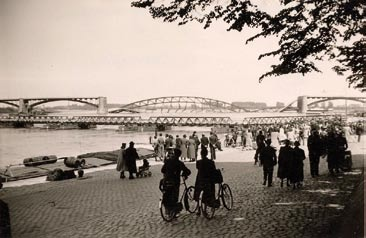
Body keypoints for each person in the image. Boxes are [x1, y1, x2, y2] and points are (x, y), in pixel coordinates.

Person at [161, 149, 191, 214]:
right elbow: (188, 171)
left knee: (167, 194)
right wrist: (184, 175)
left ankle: (167, 210)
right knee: (175, 196)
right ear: (179, 155)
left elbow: (162, 170)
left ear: (174, 154)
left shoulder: (168, 161)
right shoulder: (180, 163)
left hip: (166, 181)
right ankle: (174, 212)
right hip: (175, 182)